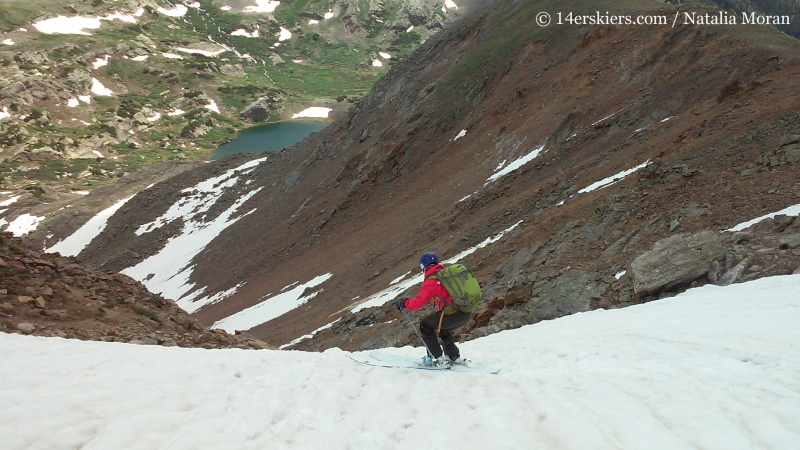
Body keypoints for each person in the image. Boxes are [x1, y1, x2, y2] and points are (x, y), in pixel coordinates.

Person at [395, 252, 472, 366]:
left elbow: (417, 303)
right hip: (465, 312)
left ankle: (435, 358)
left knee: (425, 325)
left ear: (424, 267)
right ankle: (453, 356)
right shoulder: (444, 275)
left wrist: (404, 303)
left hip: (454, 315)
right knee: (443, 328)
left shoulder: (431, 281)